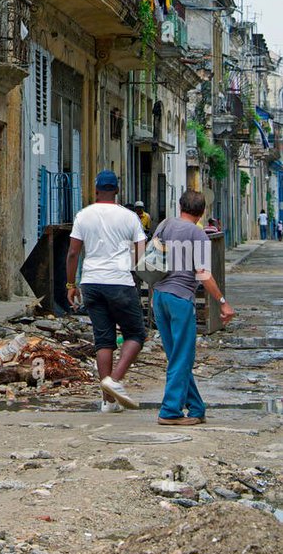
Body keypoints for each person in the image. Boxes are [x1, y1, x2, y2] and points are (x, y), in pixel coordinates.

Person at [152, 189, 234, 425]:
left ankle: (196, 407)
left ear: (180, 206)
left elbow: (151, 256)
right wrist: (222, 302)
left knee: (176, 356)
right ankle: (170, 411)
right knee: (182, 357)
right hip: (180, 298)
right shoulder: (197, 234)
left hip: (160, 296)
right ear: (202, 212)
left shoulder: (164, 225)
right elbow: (203, 274)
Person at [66, 170, 147, 411]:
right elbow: (141, 255)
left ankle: (107, 401)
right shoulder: (130, 217)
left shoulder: (83, 215)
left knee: (104, 340)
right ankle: (115, 380)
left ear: (96, 190)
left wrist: (70, 285)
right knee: (136, 334)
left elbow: (73, 253)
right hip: (120, 282)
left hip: (91, 282)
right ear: (117, 191)